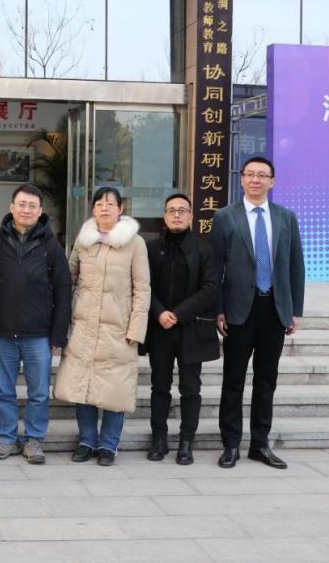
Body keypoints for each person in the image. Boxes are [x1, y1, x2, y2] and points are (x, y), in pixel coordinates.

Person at [211, 156, 305, 470]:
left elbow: (296, 266)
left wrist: (295, 310)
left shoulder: (286, 217)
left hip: (274, 309)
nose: (255, 180)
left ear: (272, 181)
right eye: (250, 174)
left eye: (262, 175)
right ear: (241, 179)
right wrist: (218, 309)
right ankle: (230, 445)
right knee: (233, 381)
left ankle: (260, 445)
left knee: (266, 381)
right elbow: (216, 268)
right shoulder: (225, 217)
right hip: (239, 310)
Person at [57, 186, 150, 467]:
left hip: (118, 328)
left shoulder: (135, 243)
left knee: (115, 390)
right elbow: (68, 279)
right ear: (93, 209)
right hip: (83, 326)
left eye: (110, 203)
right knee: (82, 386)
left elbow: (142, 289)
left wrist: (136, 329)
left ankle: (109, 444)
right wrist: (64, 321)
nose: (104, 208)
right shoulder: (84, 240)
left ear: (121, 209)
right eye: (99, 203)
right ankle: (87, 440)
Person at [0, 184, 70, 465]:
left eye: (32, 206)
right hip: (3, 332)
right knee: (3, 390)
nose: (26, 210)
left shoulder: (51, 246)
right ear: (12, 207)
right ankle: (7, 438)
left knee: (38, 392)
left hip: (39, 334)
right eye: (21, 204)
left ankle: (34, 439)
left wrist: (58, 334)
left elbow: (63, 290)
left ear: (40, 211)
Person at [141, 193, 218, 465]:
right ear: (164, 216)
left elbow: (210, 288)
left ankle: (186, 441)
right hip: (160, 328)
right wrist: (159, 312)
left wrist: (180, 313)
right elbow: (142, 286)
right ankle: (159, 438)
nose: (176, 215)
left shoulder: (204, 249)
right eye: (171, 210)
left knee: (190, 387)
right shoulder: (150, 249)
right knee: (159, 386)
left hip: (191, 328)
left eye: (182, 210)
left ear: (191, 216)